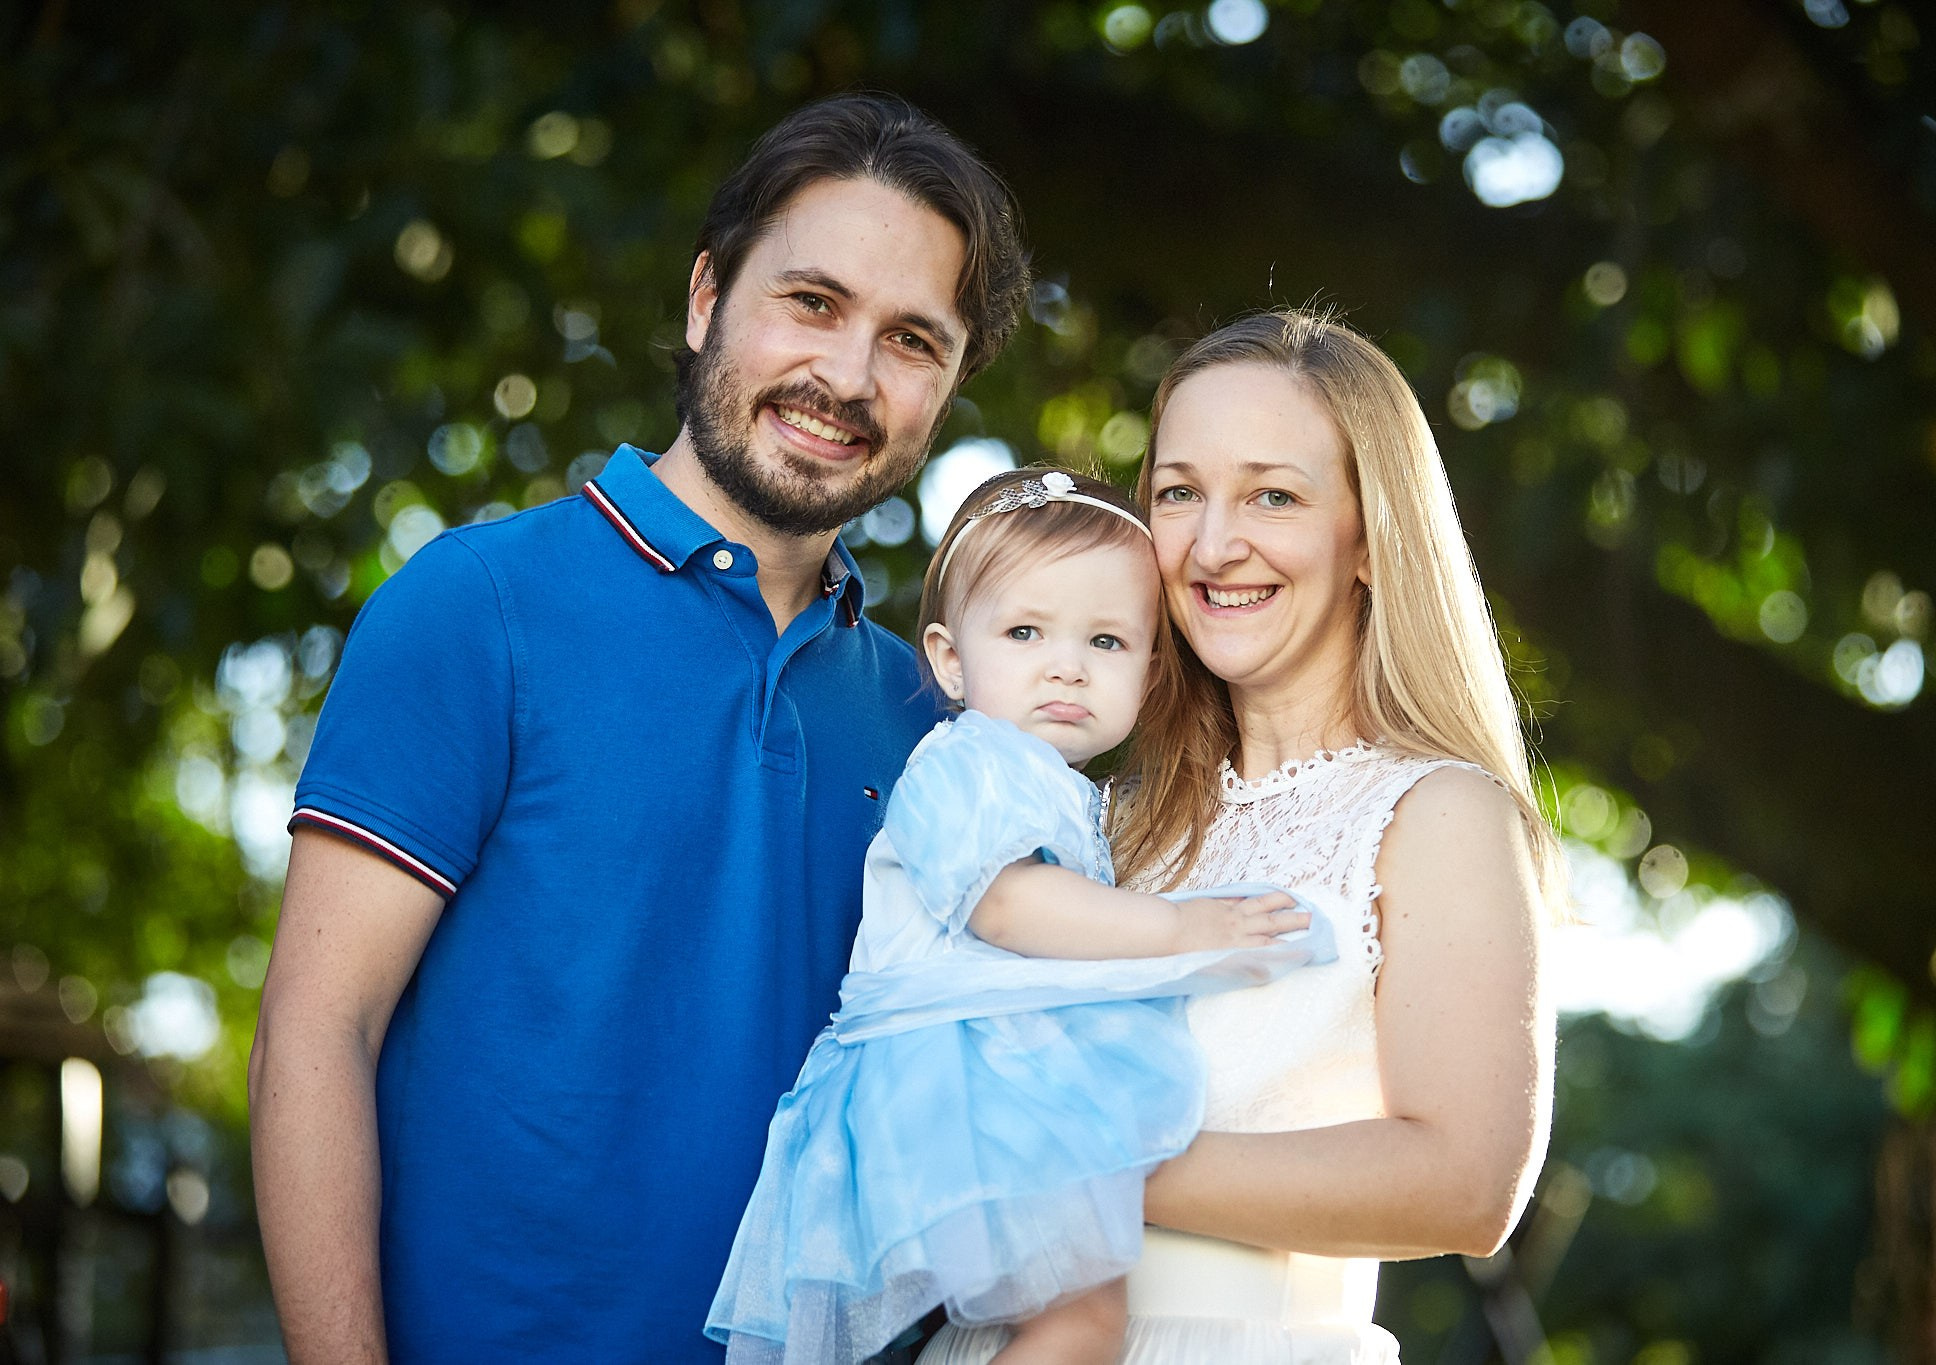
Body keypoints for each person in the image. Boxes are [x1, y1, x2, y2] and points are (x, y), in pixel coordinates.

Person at [247, 93, 1030, 1363]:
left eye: (911, 341)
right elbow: (316, 1032)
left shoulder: (934, 716)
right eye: (812, 303)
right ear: (705, 298)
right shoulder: (479, 606)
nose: (846, 377)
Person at [922, 309, 1559, 1364]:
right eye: (1178, 493)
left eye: (1273, 494)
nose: (1213, 546)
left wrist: (1083, 1166)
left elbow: (1465, 1183)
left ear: (1368, 537)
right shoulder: (1107, 821)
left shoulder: (1437, 812)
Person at [706, 468, 1340, 1365]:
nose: (1067, 664)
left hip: (974, 1078)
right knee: (1079, 1325)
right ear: (951, 658)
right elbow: (1004, 903)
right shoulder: (971, 764)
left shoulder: (1057, 787)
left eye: (1109, 640)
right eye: (1025, 631)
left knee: (1049, 1325)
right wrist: (1179, 930)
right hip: (943, 1084)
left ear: (1151, 670)